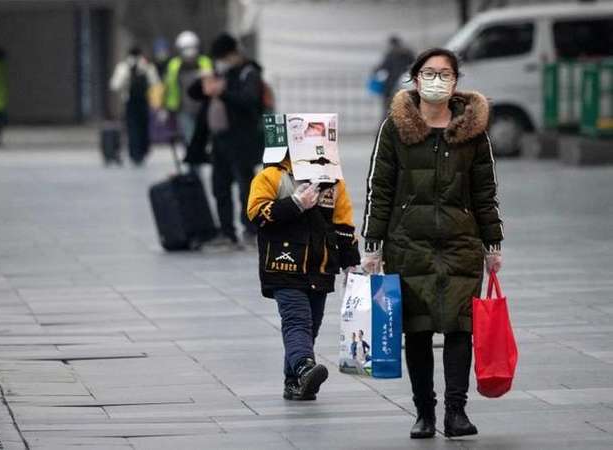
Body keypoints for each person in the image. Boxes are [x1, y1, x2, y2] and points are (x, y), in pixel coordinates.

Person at [361, 48, 503, 440]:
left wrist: (492, 244)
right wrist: (372, 244)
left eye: (445, 73)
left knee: (461, 328)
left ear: (456, 81)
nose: (436, 79)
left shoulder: (473, 131)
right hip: (409, 243)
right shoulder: (395, 128)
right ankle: (424, 412)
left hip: (461, 242)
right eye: (428, 72)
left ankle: (457, 413)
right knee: (418, 329)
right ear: (415, 77)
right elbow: (381, 188)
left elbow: (485, 191)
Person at [247, 151, 360, 401]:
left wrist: (350, 262)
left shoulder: (332, 181)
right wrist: (294, 204)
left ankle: (294, 382)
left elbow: (343, 224)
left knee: (311, 326)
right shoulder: (271, 176)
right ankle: (305, 367)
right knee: (297, 321)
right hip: (283, 266)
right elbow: (256, 213)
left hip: (319, 268)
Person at [190, 33, 263, 248]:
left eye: (223, 57)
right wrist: (205, 80)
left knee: (245, 186)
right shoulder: (221, 73)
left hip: (243, 140)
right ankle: (226, 231)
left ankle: (250, 230)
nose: (220, 62)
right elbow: (194, 93)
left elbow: (249, 100)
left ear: (233, 55)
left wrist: (223, 92)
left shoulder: (250, 73)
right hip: (219, 140)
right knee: (219, 186)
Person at [109, 46, 160, 166]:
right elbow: (156, 83)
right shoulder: (145, 67)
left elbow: (114, 85)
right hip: (138, 102)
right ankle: (139, 153)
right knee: (140, 128)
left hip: (135, 102)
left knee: (134, 129)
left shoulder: (125, 66)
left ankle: (136, 153)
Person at [163, 31, 212, 146]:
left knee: (202, 136)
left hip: (203, 107)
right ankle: (193, 160)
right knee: (189, 135)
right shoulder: (174, 65)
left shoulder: (205, 62)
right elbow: (169, 86)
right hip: (183, 107)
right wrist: (167, 107)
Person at [373, 36, 415, 116]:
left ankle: (387, 126)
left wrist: (375, 70)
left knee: (388, 108)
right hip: (405, 85)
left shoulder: (390, 54)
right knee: (405, 107)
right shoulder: (408, 53)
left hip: (390, 86)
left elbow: (382, 67)